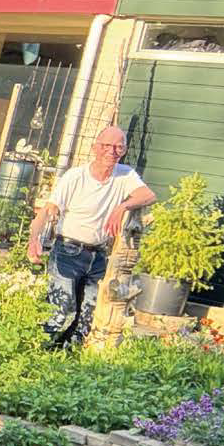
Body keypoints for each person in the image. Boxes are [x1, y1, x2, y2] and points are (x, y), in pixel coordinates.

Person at [26, 125, 156, 347]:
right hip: (68, 251)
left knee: (88, 316)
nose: (111, 152)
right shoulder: (75, 176)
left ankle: (66, 357)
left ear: (124, 151)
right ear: (95, 147)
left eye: (118, 147)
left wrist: (123, 207)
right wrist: (33, 240)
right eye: (106, 146)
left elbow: (149, 195)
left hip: (98, 255)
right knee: (60, 310)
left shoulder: (125, 174)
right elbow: (47, 211)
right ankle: (36, 351)